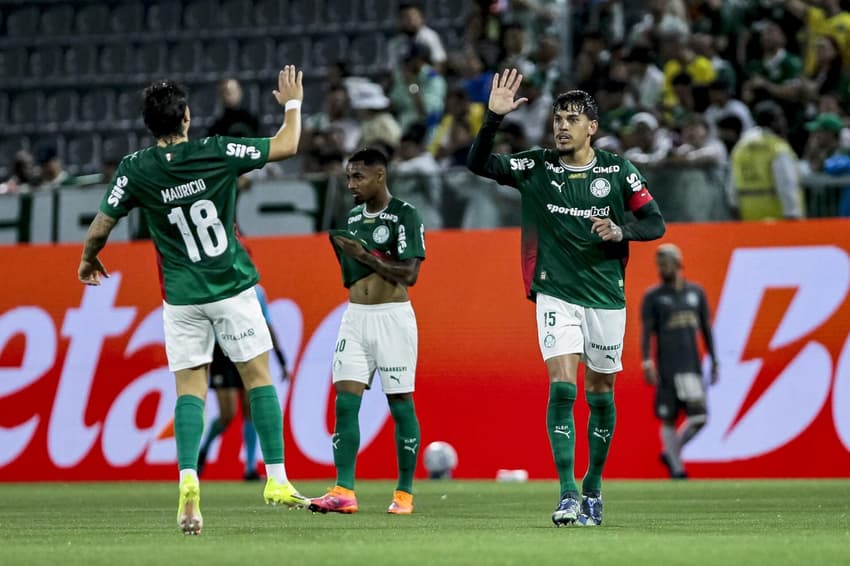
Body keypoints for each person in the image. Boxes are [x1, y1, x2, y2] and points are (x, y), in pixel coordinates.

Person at [77, 66, 309, 536]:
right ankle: (278, 479)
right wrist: (292, 103)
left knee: (189, 390)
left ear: (149, 125)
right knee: (257, 377)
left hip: (181, 298)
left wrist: (88, 260)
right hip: (230, 286)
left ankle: (188, 481)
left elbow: (101, 225)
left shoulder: (135, 168)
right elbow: (286, 145)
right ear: (185, 116)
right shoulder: (217, 151)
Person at [467, 69, 666, 527]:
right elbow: (479, 164)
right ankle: (567, 493)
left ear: (591, 127)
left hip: (604, 296)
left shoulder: (618, 171)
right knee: (562, 386)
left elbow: (655, 222)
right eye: (558, 118)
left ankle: (594, 487)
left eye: (572, 119)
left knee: (600, 393)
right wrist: (492, 120)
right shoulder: (537, 166)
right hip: (555, 292)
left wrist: (622, 230)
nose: (562, 126)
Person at [309, 148, 425, 516]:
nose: (351, 184)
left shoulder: (405, 215)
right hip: (355, 317)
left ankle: (404, 494)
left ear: (380, 175)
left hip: (393, 317)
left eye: (358, 176)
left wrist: (364, 256)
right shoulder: (354, 216)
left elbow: (410, 275)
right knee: (345, 400)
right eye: (348, 177)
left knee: (400, 403)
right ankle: (344, 490)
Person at [640, 243, 718, 479]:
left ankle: (672, 451)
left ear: (678, 263)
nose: (662, 269)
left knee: (700, 417)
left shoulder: (695, 293)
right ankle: (676, 468)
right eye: (659, 264)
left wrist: (714, 360)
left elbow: (706, 328)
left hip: (691, 366)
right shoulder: (653, 297)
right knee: (668, 417)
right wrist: (646, 362)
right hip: (667, 369)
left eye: (666, 264)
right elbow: (647, 332)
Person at [197, 284, 289, 481]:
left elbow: (267, 323)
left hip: (248, 350)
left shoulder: (257, 291)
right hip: (222, 354)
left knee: (250, 409)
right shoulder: (216, 287)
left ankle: (249, 468)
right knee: (227, 414)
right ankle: (203, 450)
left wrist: (280, 359)